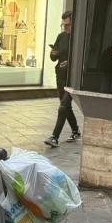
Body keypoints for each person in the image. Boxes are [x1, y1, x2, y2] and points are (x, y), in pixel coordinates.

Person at [44, 10, 80, 147]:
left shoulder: (79, 39)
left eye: (67, 25)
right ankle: (76, 130)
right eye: (63, 25)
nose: (65, 27)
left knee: (63, 106)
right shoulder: (61, 36)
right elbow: (54, 58)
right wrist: (53, 53)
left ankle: (54, 137)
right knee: (65, 106)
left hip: (72, 78)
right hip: (60, 76)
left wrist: (69, 63)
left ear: (74, 23)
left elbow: (82, 59)